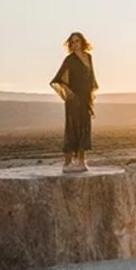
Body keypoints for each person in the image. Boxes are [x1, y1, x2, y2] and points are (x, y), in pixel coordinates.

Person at [50, 32, 98, 172]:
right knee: (72, 128)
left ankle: (82, 162)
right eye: (72, 42)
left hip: (85, 98)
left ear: (82, 42)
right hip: (73, 99)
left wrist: (89, 96)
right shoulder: (69, 60)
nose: (75, 44)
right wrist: (68, 92)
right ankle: (67, 163)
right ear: (70, 45)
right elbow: (58, 79)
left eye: (77, 41)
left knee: (85, 127)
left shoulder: (89, 57)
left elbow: (91, 78)